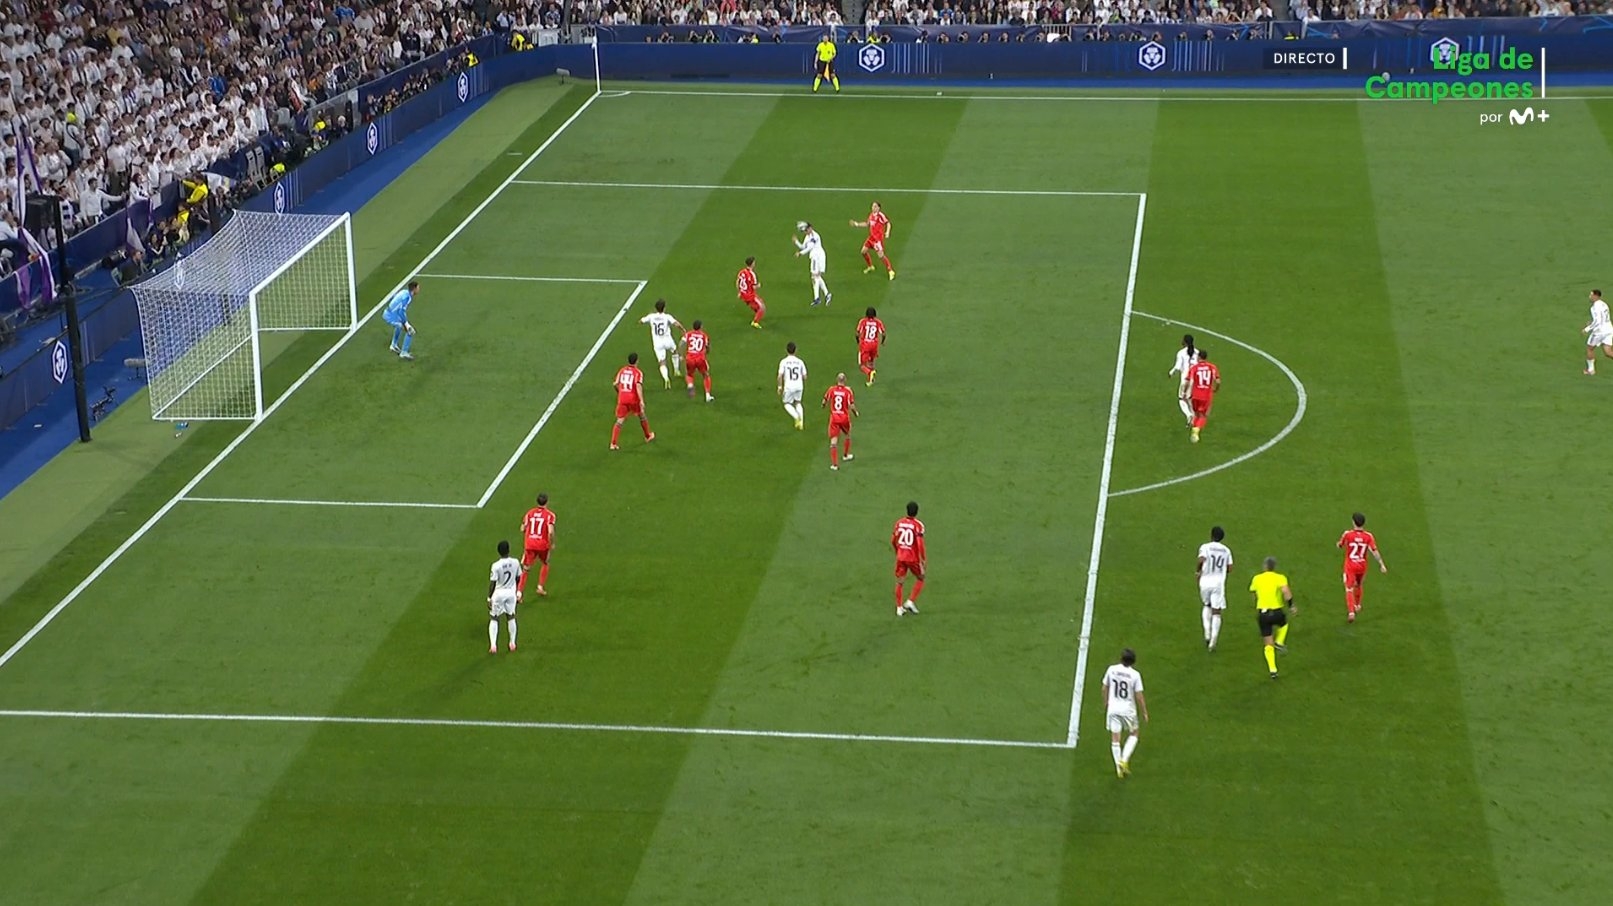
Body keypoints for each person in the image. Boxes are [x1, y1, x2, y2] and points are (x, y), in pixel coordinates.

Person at [1101, 648, 1148, 778]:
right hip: (1128, 710)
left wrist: (1106, 703)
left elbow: (1104, 688)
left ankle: (1119, 768)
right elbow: (1139, 696)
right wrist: (1144, 711)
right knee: (1134, 733)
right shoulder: (1135, 675)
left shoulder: (1111, 669)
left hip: (1113, 709)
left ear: (1121, 658)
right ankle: (1124, 760)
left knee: (1115, 738)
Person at [1249, 556, 1295, 679]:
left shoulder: (1257, 578)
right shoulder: (1280, 578)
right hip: (1277, 612)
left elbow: (1253, 594)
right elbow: (1286, 592)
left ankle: (1273, 670)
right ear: (1274, 567)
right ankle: (1279, 642)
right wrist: (1291, 606)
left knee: (1268, 644)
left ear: (1264, 566)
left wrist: (1257, 604)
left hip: (1263, 614)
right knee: (1284, 624)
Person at [1337, 512, 1387, 623]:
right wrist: (1381, 564)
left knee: (1349, 588)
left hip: (1351, 566)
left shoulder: (1348, 534)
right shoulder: (1368, 536)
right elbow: (1374, 551)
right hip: (1362, 566)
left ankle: (1351, 612)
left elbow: (1340, 544)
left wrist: (1339, 544)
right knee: (1359, 584)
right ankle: (1358, 605)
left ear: (1353, 522)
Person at [1197, 525, 1233, 651]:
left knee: (1207, 605)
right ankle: (1213, 639)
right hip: (1218, 583)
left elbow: (1201, 560)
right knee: (1216, 611)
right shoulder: (1226, 550)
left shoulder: (1205, 547)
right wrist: (1221, 570)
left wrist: (1198, 572)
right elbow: (1230, 568)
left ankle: (1207, 632)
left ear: (1211, 535)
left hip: (1205, 581)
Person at [610, 352, 654, 449]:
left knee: (620, 420)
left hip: (622, 398)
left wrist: (619, 392)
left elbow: (615, 383)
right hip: (633, 398)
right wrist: (641, 400)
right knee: (642, 415)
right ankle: (648, 436)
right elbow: (638, 386)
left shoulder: (622, 370)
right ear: (637, 361)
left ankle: (613, 443)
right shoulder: (638, 372)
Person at [639, 298, 686, 389]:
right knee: (675, 351)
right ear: (664, 308)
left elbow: (641, 321)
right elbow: (676, 324)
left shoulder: (651, 316)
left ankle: (666, 378)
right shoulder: (667, 316)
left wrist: (644, 320)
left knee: (662, 362)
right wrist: (683, 330)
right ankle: (676, 370)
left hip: (657, 343)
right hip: (668, 340)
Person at [487, 540, 522, 653]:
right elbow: (519, 577)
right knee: (511, 617)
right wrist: (516, 590)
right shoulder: (516, 562)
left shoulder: (496, 565)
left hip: (499, 594)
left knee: (494, 618)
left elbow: (493, 583)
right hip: (511, 593)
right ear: (509, 550)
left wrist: (489, 598)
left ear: (498, 551)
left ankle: (493, 645)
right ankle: (512, 643)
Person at [892, 501, 926, 616]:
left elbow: (893, 540)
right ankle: (910, 602)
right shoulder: (918, 525)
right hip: (912, 558)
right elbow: (920, 543)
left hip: (901, 556)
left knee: (900, 581)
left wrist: (897, 551)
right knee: (921, 578)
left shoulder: (899, 523)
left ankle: (899, 608)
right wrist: (923, 559)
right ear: (917, 512)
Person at [520, 493, 557, 597]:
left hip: (530, 544)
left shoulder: (529, 513)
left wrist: (529, 533)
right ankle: (540, 587)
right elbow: (550, 532)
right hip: (542, 545)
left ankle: (519, 593)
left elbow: (522, 528)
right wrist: (552, 543)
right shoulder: (550, 515)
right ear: (547, 502)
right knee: (545, 562)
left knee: (526, 569)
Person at [822, 372, 859, 470]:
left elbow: (825, 400)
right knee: (847, 435)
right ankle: (846, 455)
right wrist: (855, 413)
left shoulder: (831, 389)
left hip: (834, 417)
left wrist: (823, 405)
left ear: (837, 380)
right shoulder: (848, 391)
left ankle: (834, 465)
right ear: (845, 380)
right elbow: (851, 405)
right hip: (844, 417)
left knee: (833, 441)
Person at [852, 202, 895, 280]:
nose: (873, 208)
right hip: (871, 238)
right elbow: (867, 224)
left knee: (881, 256)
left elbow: (888, 223)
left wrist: (887, 232)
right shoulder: (871, 215)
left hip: (877, 240)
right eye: (872, 206)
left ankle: (890, 271)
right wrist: (857, 224)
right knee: (863, 252)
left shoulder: (880, 215)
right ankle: (870, 266)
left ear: (878, 208)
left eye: (875, 206)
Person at [1186, 349, 1220, 443]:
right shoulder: (1212, 367)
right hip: (1206, 395)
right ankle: (1196, 431)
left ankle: (1194, 429)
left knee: (1196, 414)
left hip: (1195, 395)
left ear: (1199, 357)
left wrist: (1185, 392)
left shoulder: (1194, 368)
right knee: (1204, 415)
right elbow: (1218, 381)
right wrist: (1216, 389)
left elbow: (1188, 381)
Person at [793, 221, 832, 306]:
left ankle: (817, 298)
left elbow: (809, 248)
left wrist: (800, 253)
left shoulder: (815, 236)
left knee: (814, 277)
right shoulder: (808, 236)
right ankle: (826, 295)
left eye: (806, 230)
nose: (805, 232)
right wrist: (796, 242)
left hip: (817, 257)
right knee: (817, 277)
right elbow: (804, 246)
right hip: (815, 257)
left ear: (810, 228)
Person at [383, 280, 420, 360]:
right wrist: (406, 323)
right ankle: (404, 352)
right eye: (418, 288)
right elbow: (401, 311)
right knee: (410, 331)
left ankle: (394, 345)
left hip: (389, 312)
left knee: (400, 326)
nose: (419, 290)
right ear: (414, 289)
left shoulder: (404, 292)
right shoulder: (407, 297)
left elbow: (394, 298)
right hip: (391, 315)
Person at [1169, 334, 1199, 426]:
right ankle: (1193, 418)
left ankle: (1188, 415)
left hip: (1185, 379)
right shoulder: (1197, 352)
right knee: (1190, 399)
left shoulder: (1181, 353)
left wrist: (1171, 372)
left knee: (1182, 399)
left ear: (1184, 342)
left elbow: (1178, 367)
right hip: (1194, 380)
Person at [778, 342, 809, 429]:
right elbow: (805, 376)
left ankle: (796, 417)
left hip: (789, 386)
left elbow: (780, 375)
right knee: (798, 402)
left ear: (786, 350)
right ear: (796, 350)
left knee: (786, 403)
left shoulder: (784, 362)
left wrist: (780, 387)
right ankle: (801, 423)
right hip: (799, 386)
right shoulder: (800, 362)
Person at [683, 319, 713, 402]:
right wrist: (707, 352)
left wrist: (680, 355)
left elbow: (682, 343)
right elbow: (707, 346)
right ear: (701, 327)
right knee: (705, 375)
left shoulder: (688, 334)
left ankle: (690, 385)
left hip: (690, 357)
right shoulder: (704, 335)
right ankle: (707, 395)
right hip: (700, 358)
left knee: (689, 374)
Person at [1584, 289, 1611, 374]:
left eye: (1591, 295)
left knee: (1590, 348)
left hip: (1599, 332)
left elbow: (1598, 321)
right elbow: (1603, 318)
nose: (1590, 297)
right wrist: (1592, 322)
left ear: (1596, 296)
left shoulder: (1595, 307)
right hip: (1609, 329)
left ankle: (1591, 370)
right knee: (1608, 352)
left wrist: (1587, 329)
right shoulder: (1604, 304)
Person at [856, 307, 885, 386]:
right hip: (874, 344)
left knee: (862, 365)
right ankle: (872, 379)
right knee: (871, 361)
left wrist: (858, 341)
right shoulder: (878, 322)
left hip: (865, 344)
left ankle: (869, 373)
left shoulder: (863, 321)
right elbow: (883, 334)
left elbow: (857, 333)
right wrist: (882, 342)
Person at [737, 256, 766, 328]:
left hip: (743, 294)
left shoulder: (741, 272)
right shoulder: (752, 274)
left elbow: (738, 282)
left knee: (754, 305)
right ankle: (755, 322)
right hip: (750, 295)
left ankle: (757, 313)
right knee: (762, 307)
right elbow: (754, 287)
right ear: (752, 264)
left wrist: (739, 292)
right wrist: (759, 285)